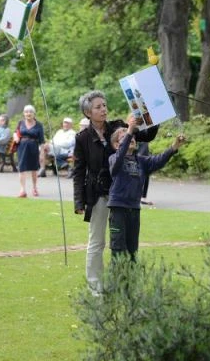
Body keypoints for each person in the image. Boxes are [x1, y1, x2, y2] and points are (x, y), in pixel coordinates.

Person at [73, 90, 158, 296]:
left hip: (120, 195)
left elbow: (148, 135)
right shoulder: (83, 138)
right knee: (97, 242)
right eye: (98, 107)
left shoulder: (118, 126)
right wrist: (79, 201)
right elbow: (78, 171)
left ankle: (123, 284)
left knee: (123, 243)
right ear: (88, 112)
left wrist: (148, 112)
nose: (103, 109)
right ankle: (95, 288)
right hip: (98, 195)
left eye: (104, 105)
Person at [108, 116, 185, 261]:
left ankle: (132, 282)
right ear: (116, 145)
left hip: (134, 210)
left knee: (132, 251)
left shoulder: (142, 161)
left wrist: (174, 146)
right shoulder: (113, 159)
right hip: (118, 210)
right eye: (124, 137)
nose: (130, 138)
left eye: (131, 137)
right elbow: (118, 160)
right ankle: (117, 283)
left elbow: (159, 160)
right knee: (118, 250)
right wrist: (130, 129)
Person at [13, 105, 45, 198]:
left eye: (30, 112)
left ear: (34, 114)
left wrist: (42, 153)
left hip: (33, 147)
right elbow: (16, 131)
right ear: (24, 113)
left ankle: (34, 188)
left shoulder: (39, 125)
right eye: (26, 112)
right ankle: (22, 190)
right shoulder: (20, 123)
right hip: (22, 147)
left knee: (34, 169)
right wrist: (15, 136)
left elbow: (42, 140)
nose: (28, 113)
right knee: (22, 168)